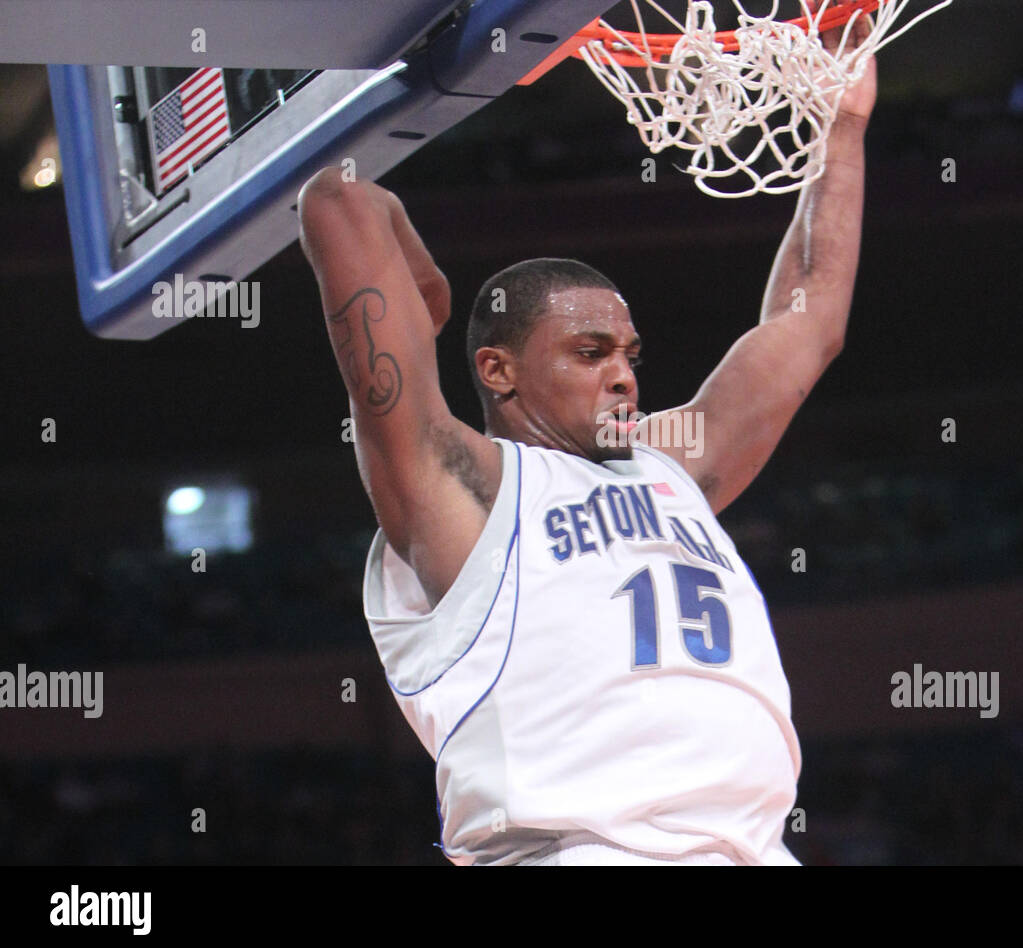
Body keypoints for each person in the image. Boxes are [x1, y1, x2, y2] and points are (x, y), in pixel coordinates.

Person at [296, 49, 878, 866]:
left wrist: (841, 128)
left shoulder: (673, 464)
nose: (624, 374)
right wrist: (415, 262)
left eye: (630, 353)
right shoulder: (469, 490)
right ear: (497, 370)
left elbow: (809, 323)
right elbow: (336, 203)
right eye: (590, 350)